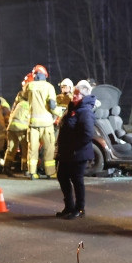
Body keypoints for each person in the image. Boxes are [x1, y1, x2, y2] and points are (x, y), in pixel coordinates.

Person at [55, 79, 96, 220]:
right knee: (62, 177)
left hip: (77, 153)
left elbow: (87, 134)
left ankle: (80, 208)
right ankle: (69, 207)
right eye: (74, 93)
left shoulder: (85, 112)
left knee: (77, 180)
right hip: (67, 152)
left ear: (84, 97)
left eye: (77, 95)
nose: (74, 96)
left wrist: (75, 148)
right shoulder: (72, 108)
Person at [23, 64, 57, 179]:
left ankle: (32, 172)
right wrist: (61, 114)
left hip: (33, 124)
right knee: (48, 148)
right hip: (46, 123)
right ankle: (50, 172)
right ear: (45, 75)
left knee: (32, 148)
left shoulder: (29, 86)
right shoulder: (49, 87)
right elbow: (52, 106)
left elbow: (24, 97)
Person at [3, 74, 32, 176]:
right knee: (26, 147)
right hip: (22, 126)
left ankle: (6, 167)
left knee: (11, 147)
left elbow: (13, 109)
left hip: (11, 125)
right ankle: (25, 169)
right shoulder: (32, 97)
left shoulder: (19, 96)